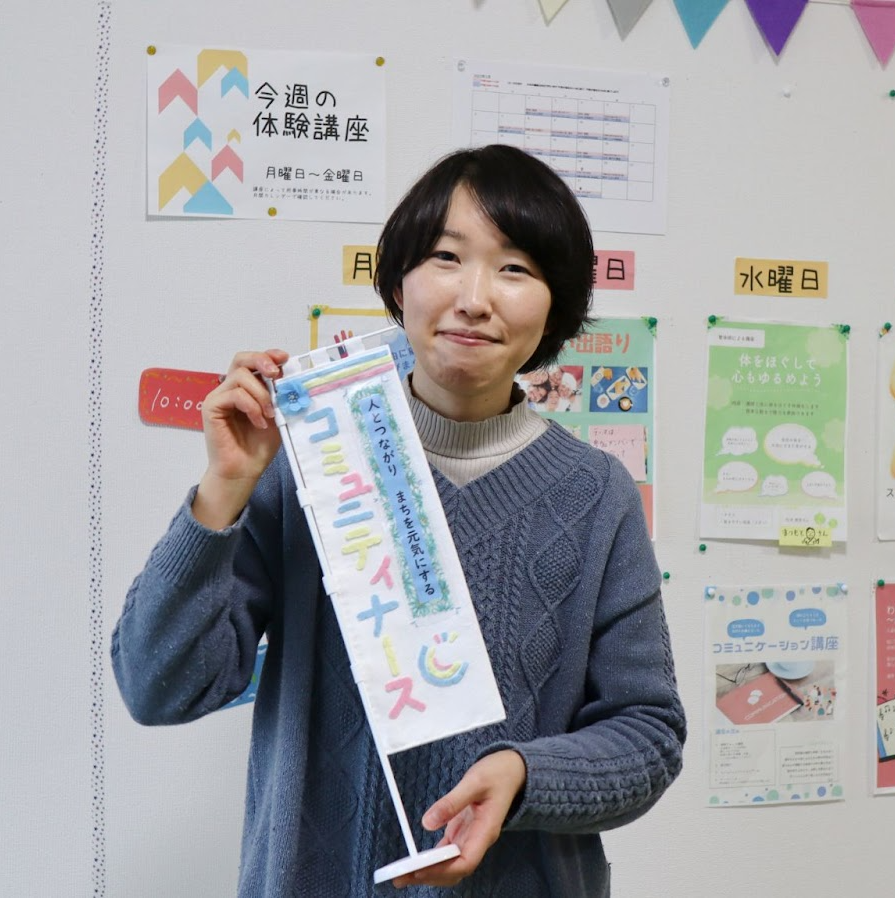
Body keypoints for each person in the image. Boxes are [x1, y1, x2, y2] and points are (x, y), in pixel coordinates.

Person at [111, 144, 686, 897]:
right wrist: (225, 487)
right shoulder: (310, 457)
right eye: (446, 257)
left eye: (515, 268)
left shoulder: (597, 494)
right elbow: (157, 687)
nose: (474, 297)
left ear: (557, 305)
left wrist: (525, 774)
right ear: (399, 281)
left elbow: (649, 733)